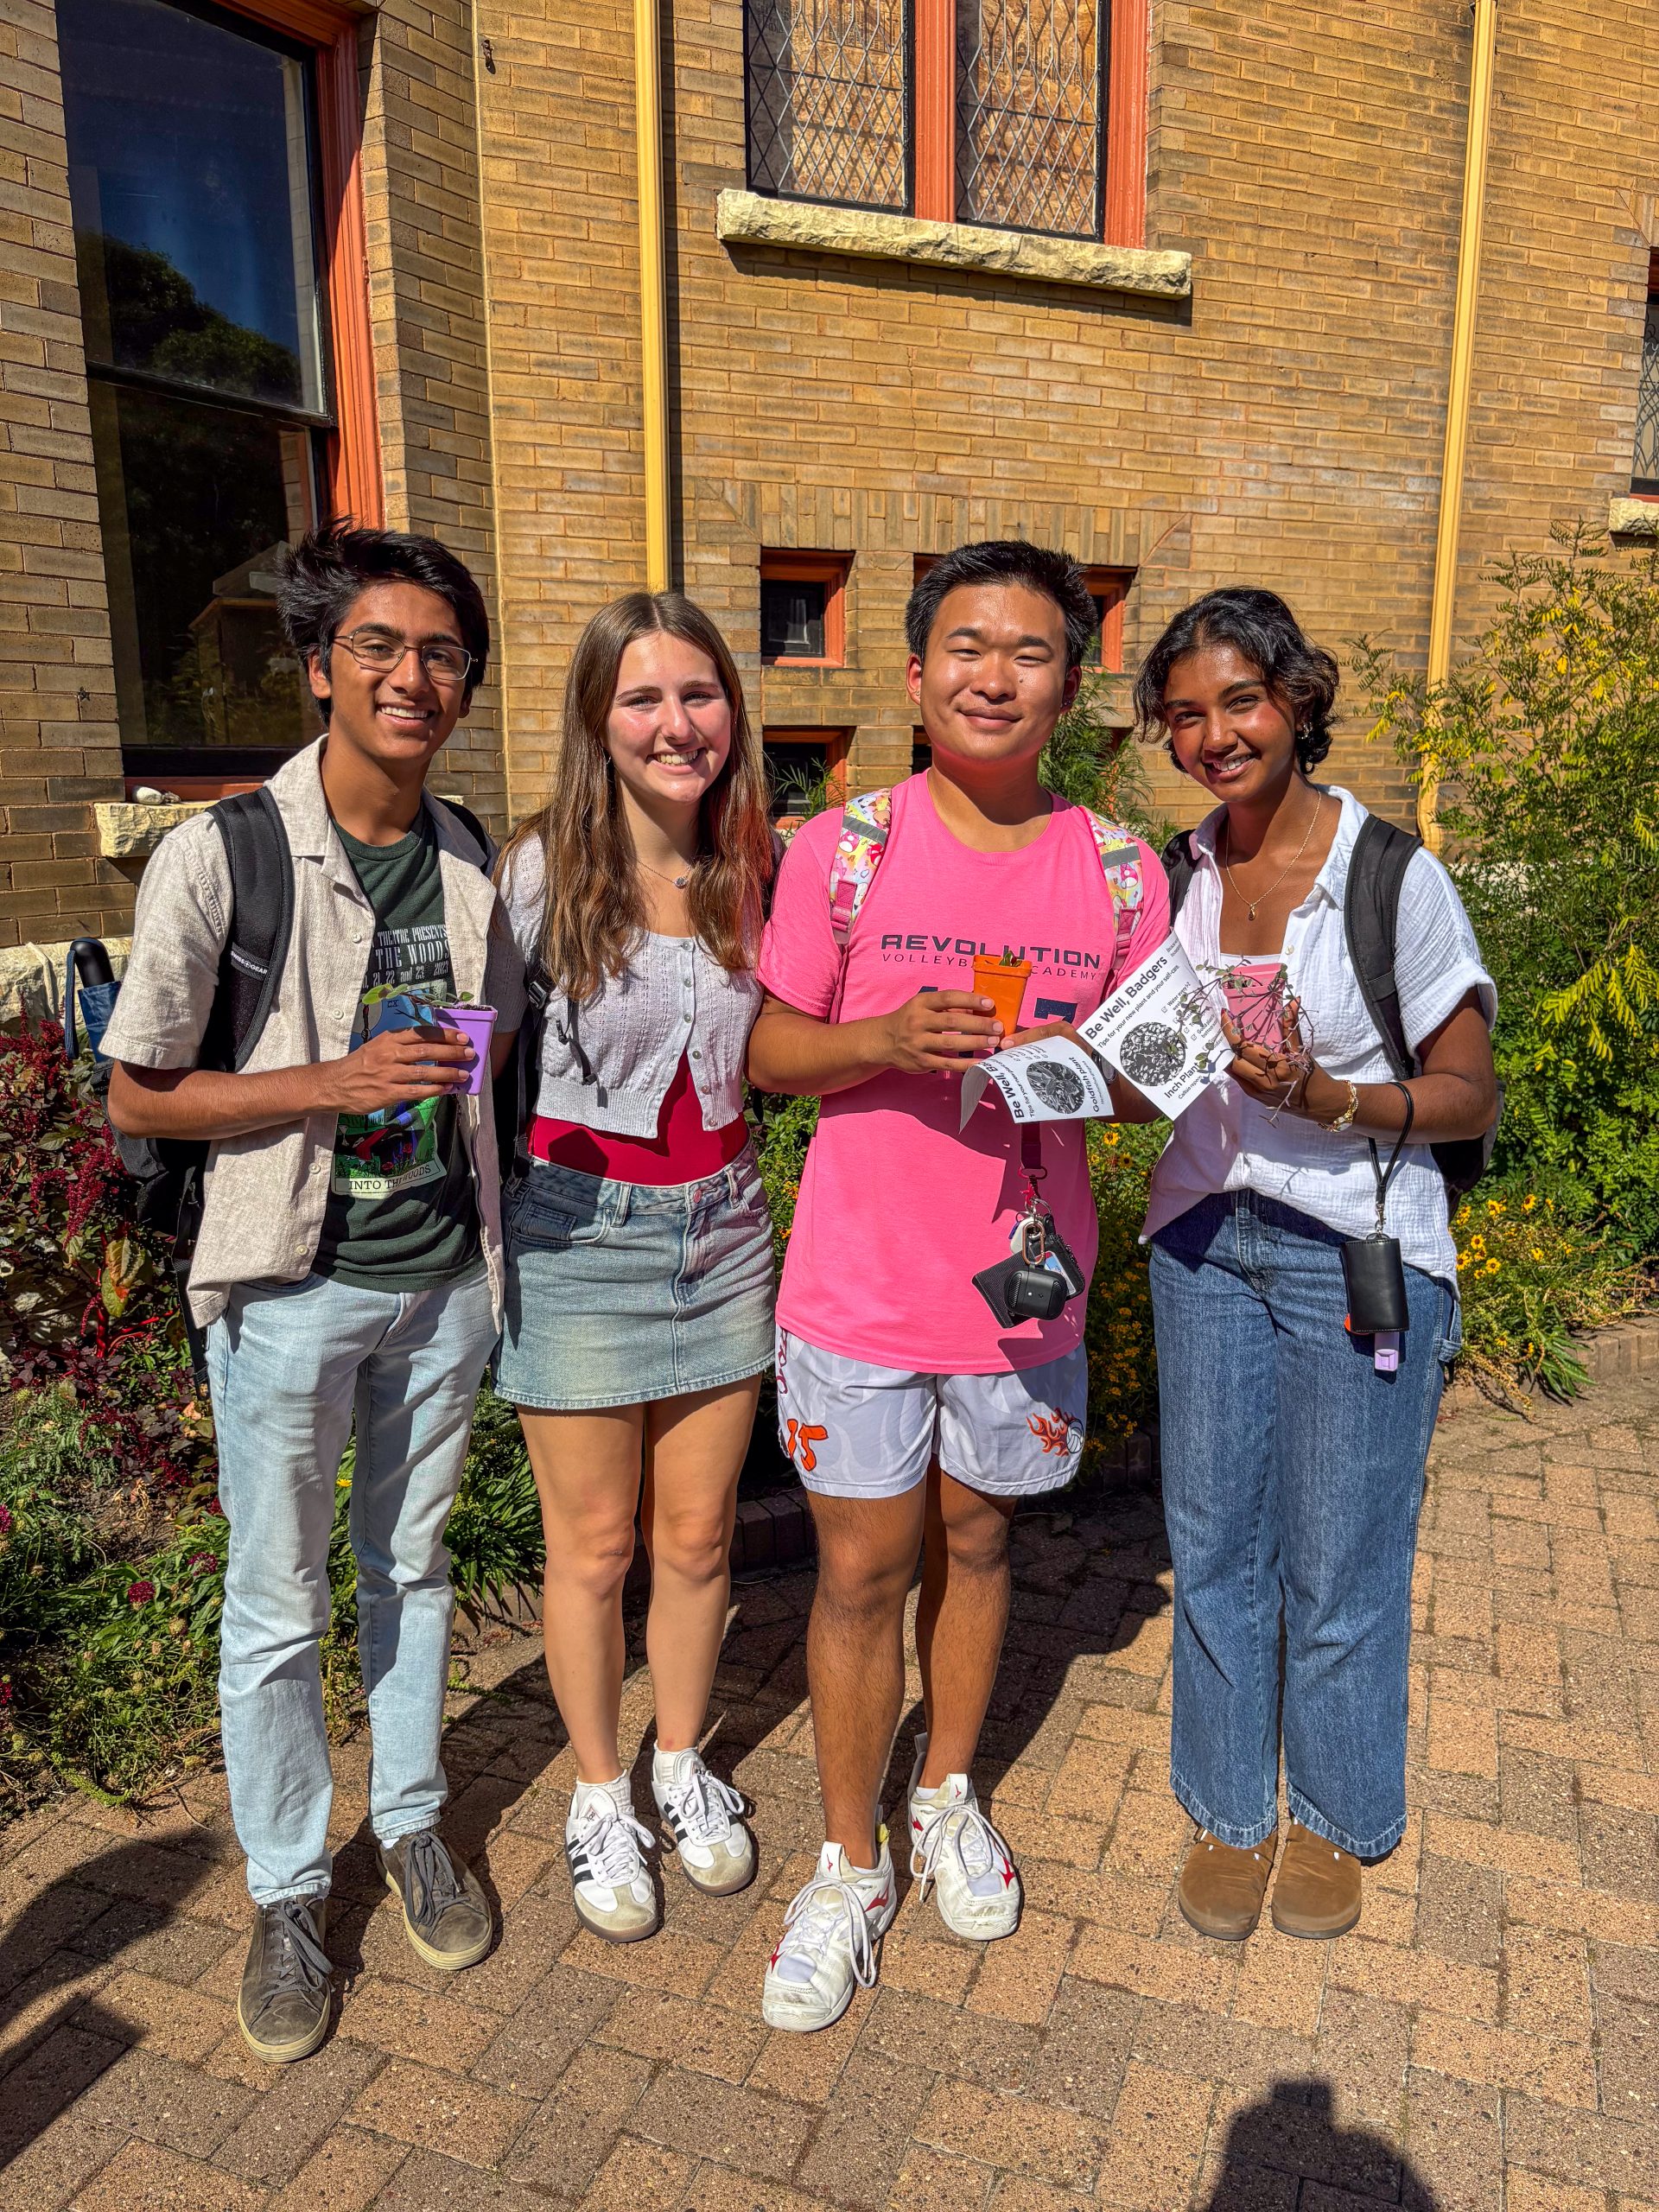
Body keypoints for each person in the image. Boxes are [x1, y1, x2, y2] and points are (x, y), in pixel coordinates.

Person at [104, 523, 525, 2065]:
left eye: (440, 655)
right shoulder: (226, 855)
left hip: (444, 1283)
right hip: (290, 1290)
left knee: (411, 1573)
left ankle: (409, 1823)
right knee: (276, 1609)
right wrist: (327, 1083)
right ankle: (289, 1889)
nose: (414, 677)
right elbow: (138, 1096)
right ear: (320, 670)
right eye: (381, 649)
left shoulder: (472, 852)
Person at [748, 540, 1170, 2031]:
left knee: (978, 1549)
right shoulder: (842, 850)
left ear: (1072, 681)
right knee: (861, 1572)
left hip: (1018, 1293)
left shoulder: (1122, 870)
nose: (997, 676)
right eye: (968, 649)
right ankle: (848, 1863)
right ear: (917, 674)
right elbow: (765, 1054)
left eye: (1034, 652)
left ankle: (944, 1797)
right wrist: (884, 1039)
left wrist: (1082, 1072)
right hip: (859, 1286)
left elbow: (1148, 1083)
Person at [1132, 587, 1497, 1942]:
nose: (1213, 733)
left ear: (1293, 700)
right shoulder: (1173, 880)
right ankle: (1231, 1807)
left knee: (1342, 1555)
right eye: (1184, 714)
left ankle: (1339, 1813)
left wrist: (1336, 1097)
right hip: (1204, 1244)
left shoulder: (1390, 876)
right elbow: (1151, 1075)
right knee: (1214, 1540)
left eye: (1237, 700)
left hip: (1357, 1246)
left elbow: (1469, 1091)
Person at [493, 592, 777, 1943]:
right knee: (596, 1546)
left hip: (724, 1232)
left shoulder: (756, 866)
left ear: (732, 710)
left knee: (700, 1535)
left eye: (699, 694)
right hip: (580, 1237)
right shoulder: (541, 872)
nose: (678, 723)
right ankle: (599, 1790)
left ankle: (680, 1761)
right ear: (599, 722)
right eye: (644, 699)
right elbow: (474, 1068)